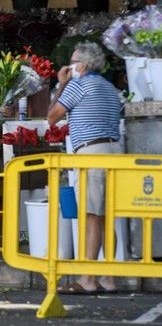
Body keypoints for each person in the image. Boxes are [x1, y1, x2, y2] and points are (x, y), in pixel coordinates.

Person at [48, 42, 123, 295]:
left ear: (82, 65)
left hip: (91, 152)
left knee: (91, 215)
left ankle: (88, 279)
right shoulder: (110, 88)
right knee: (106, 215)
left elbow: (52, 116)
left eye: (71, 62)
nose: (68, 67)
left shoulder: (77, 85)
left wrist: (62, 83)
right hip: (115, 152)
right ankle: (108, 278)